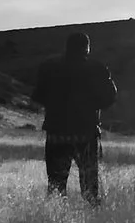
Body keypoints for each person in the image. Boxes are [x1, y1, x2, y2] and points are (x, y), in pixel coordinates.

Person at [32, 30, 117, 202]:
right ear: (87, 48)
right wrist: (92, 107)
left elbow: (37, 95)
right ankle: (90, 220)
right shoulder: (97, 68)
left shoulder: (49, 67)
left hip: (57, 132)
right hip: (86, 132)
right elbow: (110, 96)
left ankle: (53, 222)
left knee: (56, 185)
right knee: (89, 185)